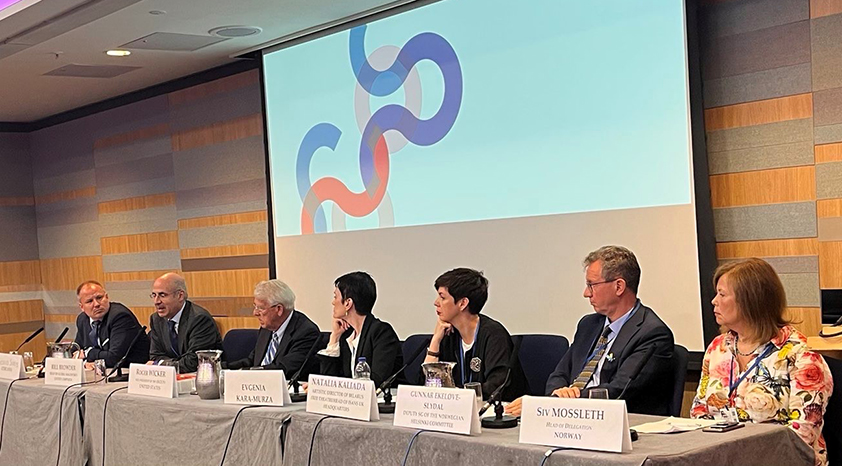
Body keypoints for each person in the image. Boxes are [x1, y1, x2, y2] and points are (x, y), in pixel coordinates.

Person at [691, 258, 833, 466]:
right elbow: (698, 412)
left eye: (722, 294)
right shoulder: (718, 348)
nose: (714, 301)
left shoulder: (802, 357)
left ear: (750, 301)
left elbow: (802, 435)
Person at [506, 245, 674, 416]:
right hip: (570, 419)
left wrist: (557, 403)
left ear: (619, 287)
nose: (586, 293)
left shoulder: (652, 334)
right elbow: (559, 374)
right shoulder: (589, 325)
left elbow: (619, 391)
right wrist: (558, 396)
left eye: (592, 285)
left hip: (620, 426)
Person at [423, 267, 527, 401]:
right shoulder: (447, 334)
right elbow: (426, 385)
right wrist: (435, 341)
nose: (436, 302)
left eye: (442, 297)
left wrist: (457, 396)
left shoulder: (494, 335)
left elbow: (497, 387)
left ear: (463, 303)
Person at [317, 271, 403, 387]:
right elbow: (329, 381)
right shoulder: (346, 334)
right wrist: (334, 337)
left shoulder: (381, 332)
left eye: (335, 297)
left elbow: (377, 380)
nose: (333, 302)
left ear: (348, 303)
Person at [227, 279, 320, 378]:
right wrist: (224, 368)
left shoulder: (306, 332)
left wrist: (245, 372)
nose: (255, 313)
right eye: (255, 306)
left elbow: (283, 369)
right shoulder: (267, 327)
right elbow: (253, 361)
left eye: (261, 308)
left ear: (279, 309)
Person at [148, 272, 222, 373]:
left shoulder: (199, 320)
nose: (156, 301)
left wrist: (162, 365)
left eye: (162, 295)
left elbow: (193, 362)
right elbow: (155, 356)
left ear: (180, 296)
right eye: (154, 295)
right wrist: (169, 364)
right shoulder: (156, 319)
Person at [73, 280, 150, 367]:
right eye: (90, 301)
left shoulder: (120, 316)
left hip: (129, 372)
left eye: (99, 298)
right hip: (104, 373)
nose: (96, 304)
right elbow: (75, 351)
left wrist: (88, 353)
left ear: (107, 297)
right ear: (82, 307)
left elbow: (114, 358)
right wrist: (85, 363)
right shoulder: (82, 319)